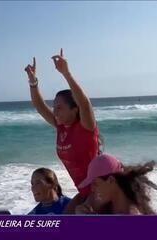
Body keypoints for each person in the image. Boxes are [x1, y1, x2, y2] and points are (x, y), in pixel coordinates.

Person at [24, 49, 100, 213]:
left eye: (60, 107)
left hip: (99, 191)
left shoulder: (85, 128)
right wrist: (33, 81)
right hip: (84, 192)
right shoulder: (61, 127)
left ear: (74, 110)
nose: (55, 111)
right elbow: (39, 106)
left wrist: (66, 73)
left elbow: (85, 104)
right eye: (54, 107)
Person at [75, 154, 157, 215]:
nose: (93, 189)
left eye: (95, 184)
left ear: (111, 180)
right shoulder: (107, 203)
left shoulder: (132, 214)